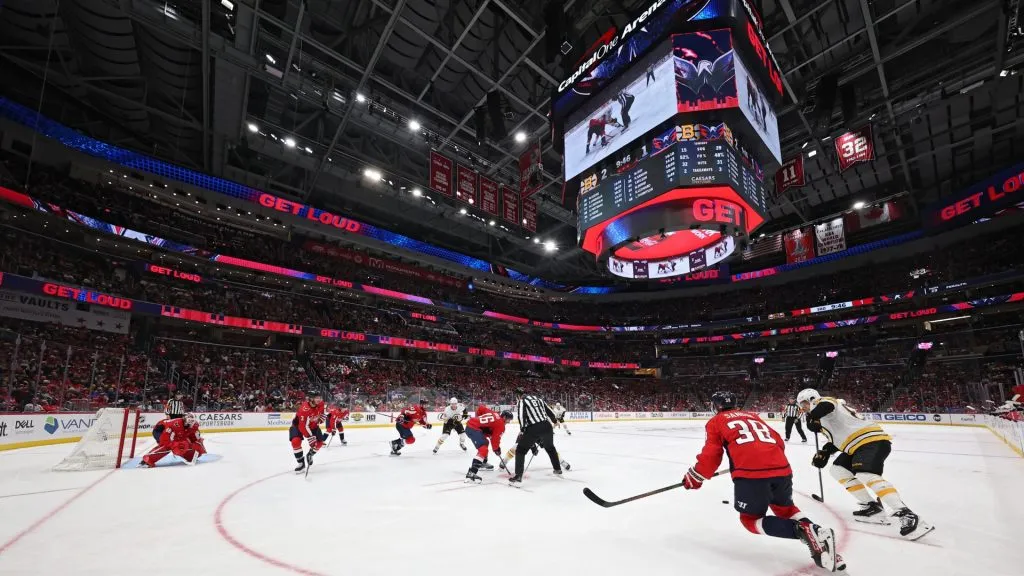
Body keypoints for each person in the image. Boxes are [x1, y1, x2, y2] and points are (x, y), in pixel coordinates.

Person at [684, 391, 844, 572]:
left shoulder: (716, 422)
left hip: (751, 475)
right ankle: (819, 536)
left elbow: (711, 456)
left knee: (750, 520)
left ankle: (803, 531)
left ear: (715, 406)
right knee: (786, 509)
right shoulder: (753, 416)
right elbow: (777, 441)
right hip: (781, 468)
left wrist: (695, 477)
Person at [797, 388, 933, 541]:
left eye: (804, 404)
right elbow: (842, 435)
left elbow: (827, 405)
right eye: (801, 405)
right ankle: (872, 507)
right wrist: (826, 452)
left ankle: (907, 514)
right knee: (838, 470)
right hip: (857, 444)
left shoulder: (825, 402)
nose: (803, 408)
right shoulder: (823, 416)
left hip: (871, 440)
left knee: (866, 474)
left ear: (812, 398)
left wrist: (813, 416)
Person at [509, 389, 563, 487]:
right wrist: (555, 421)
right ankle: (557, 469)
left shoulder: (522, 401)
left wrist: (522, 429)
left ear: (518, 396)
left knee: (520, 450)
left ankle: (518, 475)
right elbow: (549, 411)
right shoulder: (539, 399)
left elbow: (521, 416)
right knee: (550, 448)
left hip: (534, 427)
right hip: (547, 426)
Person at [464, 405, 513, 482]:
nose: (509, 422)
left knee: (485, 442)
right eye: (508, 420)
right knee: (483, 449)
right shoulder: (501, 425)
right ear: (504, 417)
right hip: (473, 428)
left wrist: (480, 423)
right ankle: (471, 473)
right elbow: (495, 439)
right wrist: (496, 449)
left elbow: (480, 408)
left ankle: (482, 462)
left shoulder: (494, 413)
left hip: (471, 425)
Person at [140, 413, 205, 467]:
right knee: (168, 446)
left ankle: (189, 456)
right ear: (184, 419)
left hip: (173, 433)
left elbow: (193, 438)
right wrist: (172, 444)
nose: (191, 422)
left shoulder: (194, 426)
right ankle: (147, 459)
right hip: (160, 430)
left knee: (183, 444)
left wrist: (197, 444)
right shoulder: (176, 424)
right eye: (189, 420)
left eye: (193, 421)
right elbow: (165, 439)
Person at [290, 391, 326, 473]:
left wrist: (321, 417)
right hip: (298, 426)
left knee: (319, 443)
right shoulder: (304, 409)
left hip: (313, 426)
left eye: (320, 397)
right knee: (295, 442)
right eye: (317, 398)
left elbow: (321, 412)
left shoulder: (321, 403)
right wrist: (310, 437)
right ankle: (301, 463)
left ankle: (310, 454)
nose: (319, 399)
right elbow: (303, 426)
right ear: (310, 399)